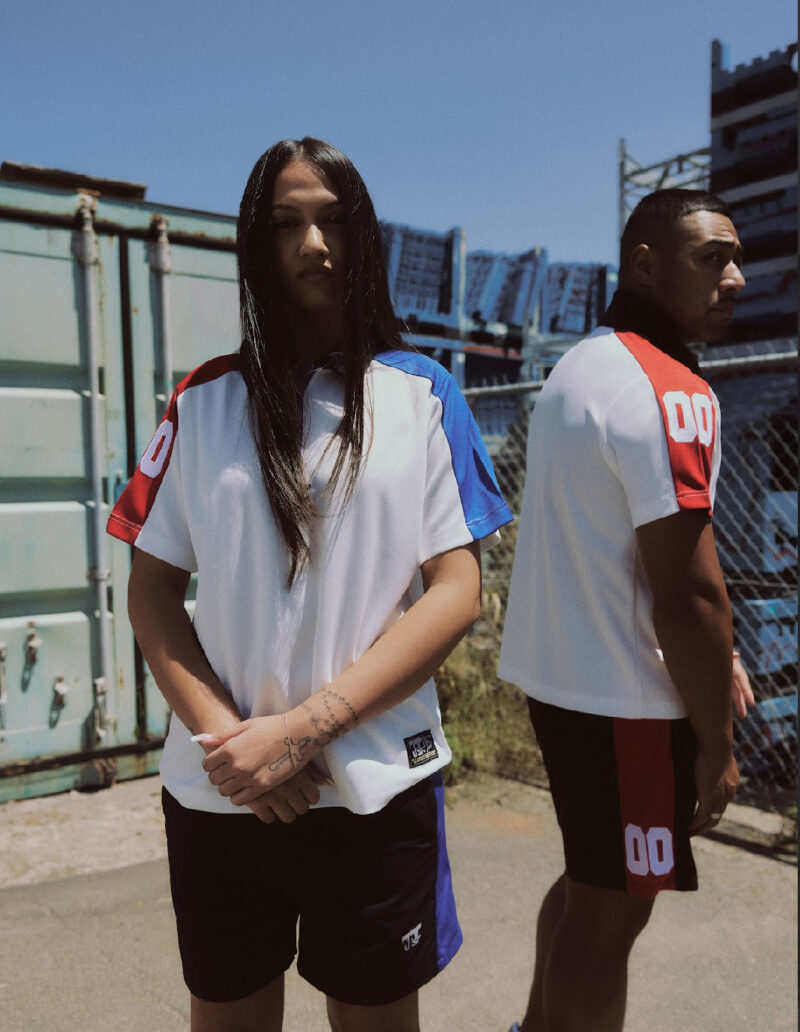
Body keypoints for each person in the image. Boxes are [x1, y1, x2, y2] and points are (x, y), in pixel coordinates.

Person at [107, 137, 512, 1032]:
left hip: (373, 784)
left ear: (363, 233)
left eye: (332, 220)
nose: (313, 244)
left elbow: (456, 590)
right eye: (286, 224)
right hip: (224, 790)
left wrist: (301, 732)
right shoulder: (202, 401)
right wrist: (236, 746)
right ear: (257, 244)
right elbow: (151, 592)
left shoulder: (424, 394)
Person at [497, 188, 754, 1032]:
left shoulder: (582, 365)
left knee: (592, 883)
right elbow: (689, 596)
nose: (736, 278)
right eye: (712, 258)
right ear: (645, 264)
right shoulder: (672, 390)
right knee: (613, 914)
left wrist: (720, 657)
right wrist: (718, 746)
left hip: (564, 681)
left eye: (737, 259)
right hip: (626, 701)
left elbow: (633, 553)